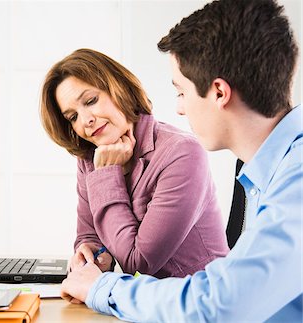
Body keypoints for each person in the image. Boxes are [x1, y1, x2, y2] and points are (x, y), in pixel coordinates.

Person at [60, 0, 302, 321]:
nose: (179, 109)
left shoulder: (295, 180)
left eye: (181, 91)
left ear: (219, 92)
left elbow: (221, 303)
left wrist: (102, 287)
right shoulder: (271, 172)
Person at [40, 48, 229, 282]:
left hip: (198, 303)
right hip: (137, 302)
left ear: (119, 89)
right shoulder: (90, 158)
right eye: (72, 117)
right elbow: (89, 234)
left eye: (91, 101)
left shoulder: (182, 152)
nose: (86, 120)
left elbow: (138, 263)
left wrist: (107, 174)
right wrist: (89, 254)